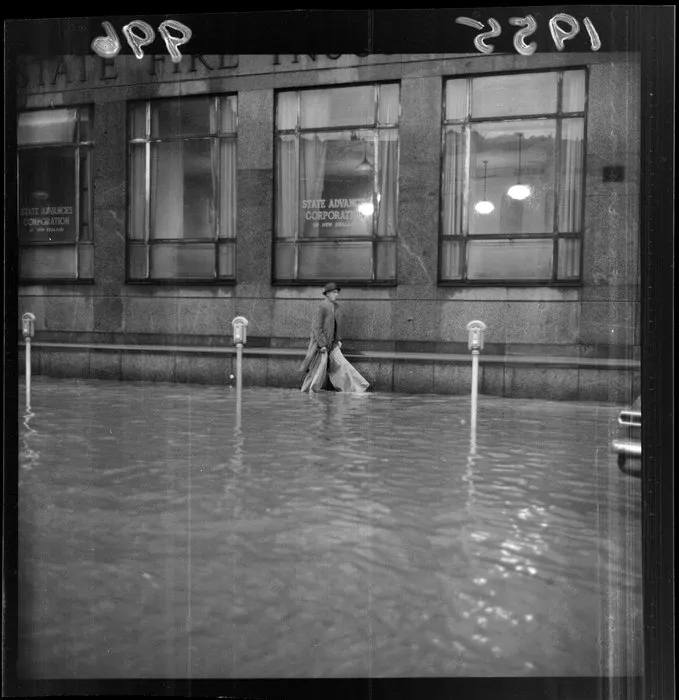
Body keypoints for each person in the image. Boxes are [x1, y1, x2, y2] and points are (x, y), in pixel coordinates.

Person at [300, 282, 369, 393]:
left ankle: (357, 389)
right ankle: (307, 393)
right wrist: (322, 345)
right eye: (334, 292)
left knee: (343, 367)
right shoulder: (322, 306)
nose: (336, 294)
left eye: (337, 292)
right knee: (316, 372)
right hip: (321, 348)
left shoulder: (335, 307)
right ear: (327, 293)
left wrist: (338, 340)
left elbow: (336, 325)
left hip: (332, 346)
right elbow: (316, 328)